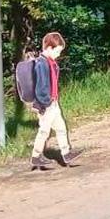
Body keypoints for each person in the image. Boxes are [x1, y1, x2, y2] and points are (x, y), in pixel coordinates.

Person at [29, 31, 81, 170]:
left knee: (61, 128)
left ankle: (66, 153)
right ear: (49, 48)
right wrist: (46, 103)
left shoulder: (51, 62)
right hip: (46, 104)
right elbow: (41, 87)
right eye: (57, 51)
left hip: (53, 102)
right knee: (44, 131)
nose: (59, 54)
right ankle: (36, 156)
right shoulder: (41, 64)